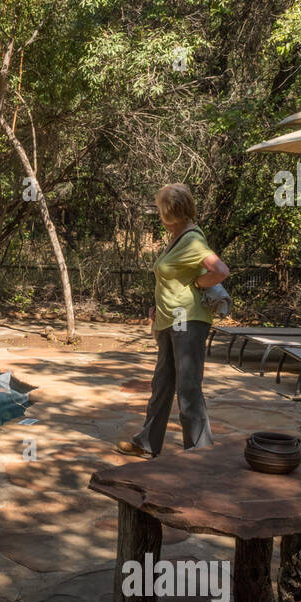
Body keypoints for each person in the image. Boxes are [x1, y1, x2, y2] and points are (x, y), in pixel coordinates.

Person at [118, 183, 229, 458]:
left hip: (186, 320)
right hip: (171, 319)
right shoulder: (178, 238)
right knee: (162, 383)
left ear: (170, 212)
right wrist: (159, 307)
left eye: (160, 209)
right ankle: (147, 443)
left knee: (188, 386)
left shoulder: (192, 240)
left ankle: (199, 453)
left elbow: (220, 270)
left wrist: (199, 284)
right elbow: (174, 278)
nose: (158, 214)